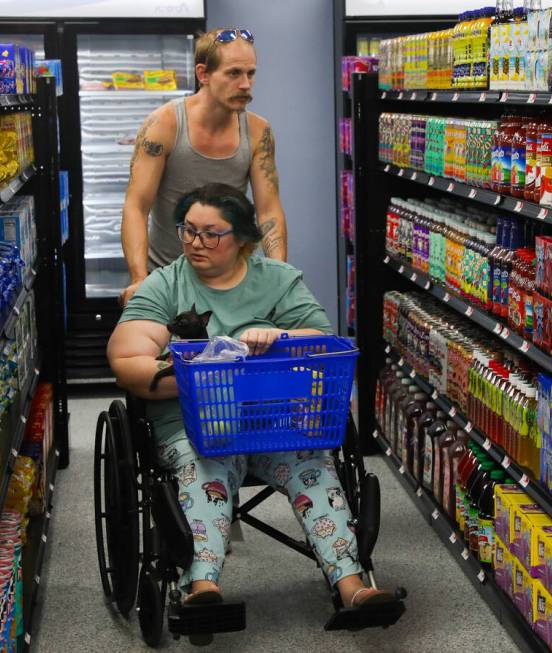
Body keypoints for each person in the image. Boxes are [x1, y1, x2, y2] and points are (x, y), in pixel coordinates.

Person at [107, 183, 390, 610]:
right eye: (187, 230)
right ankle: (203, 589)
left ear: (242, 238)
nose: (195, 243)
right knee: (204, 472)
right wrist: (196, 375)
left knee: (313, 465)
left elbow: (320, 340)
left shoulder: (278, 282)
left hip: (276, 425)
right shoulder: (165, 285)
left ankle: (352, 585)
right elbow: (127, 358)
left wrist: (280, 338)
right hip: (194, 429)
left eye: (211, 233)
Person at [119, 27, 287, 307]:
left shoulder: (259, 131)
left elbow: (268, 210)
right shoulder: (164, 125)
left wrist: (279, 275)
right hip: (166, 277)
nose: (246, 84)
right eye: (234, 73)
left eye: (251, 73)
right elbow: (136, 206)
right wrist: (139, 279)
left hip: (232, 279)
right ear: (203, 74)